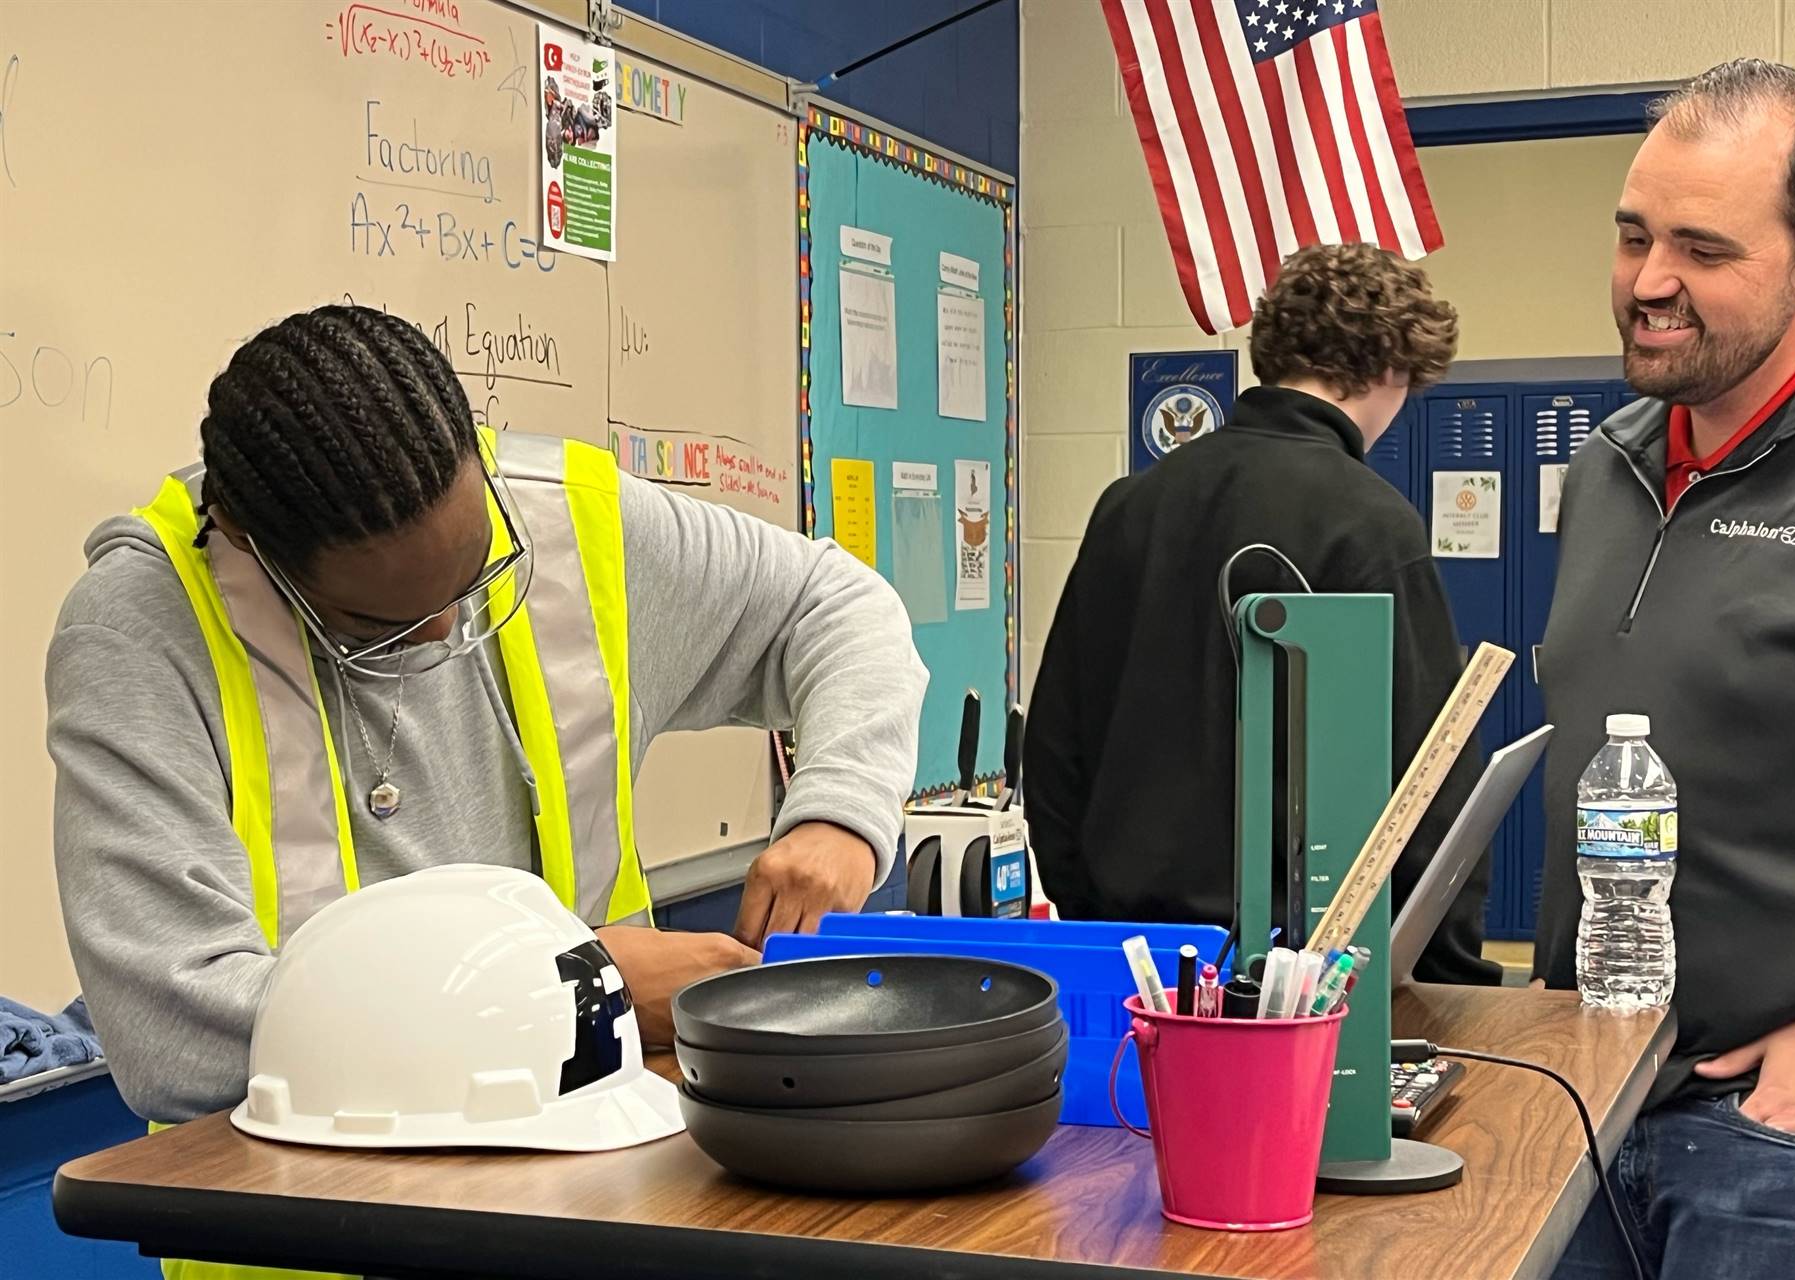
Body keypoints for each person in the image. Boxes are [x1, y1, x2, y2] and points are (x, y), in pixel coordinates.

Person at [47, 304, 928, 1131]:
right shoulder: (141, 634)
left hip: (599, 1191)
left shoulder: (568, 519)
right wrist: (578, 990)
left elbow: (838, 608)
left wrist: (839, 811)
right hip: (316, 1235)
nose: (447, 632)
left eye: (476, 577)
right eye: (379, 628)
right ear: (248, 545)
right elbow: (177, 1035)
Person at [1537, 60, 1795, 1276]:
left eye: (1704, 250)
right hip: (1579, 1108)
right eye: (1635, 235)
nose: (1650, 282)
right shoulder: (1606, 468)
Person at [1025, 242, 1501, 986]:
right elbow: (1430, 775)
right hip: (1301, 981)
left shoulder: (1129, 507)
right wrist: (1444, 973)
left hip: (1133, 963)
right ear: (1389, 369)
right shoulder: (1373, 523)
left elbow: (1055, 749)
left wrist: (1094, 920)